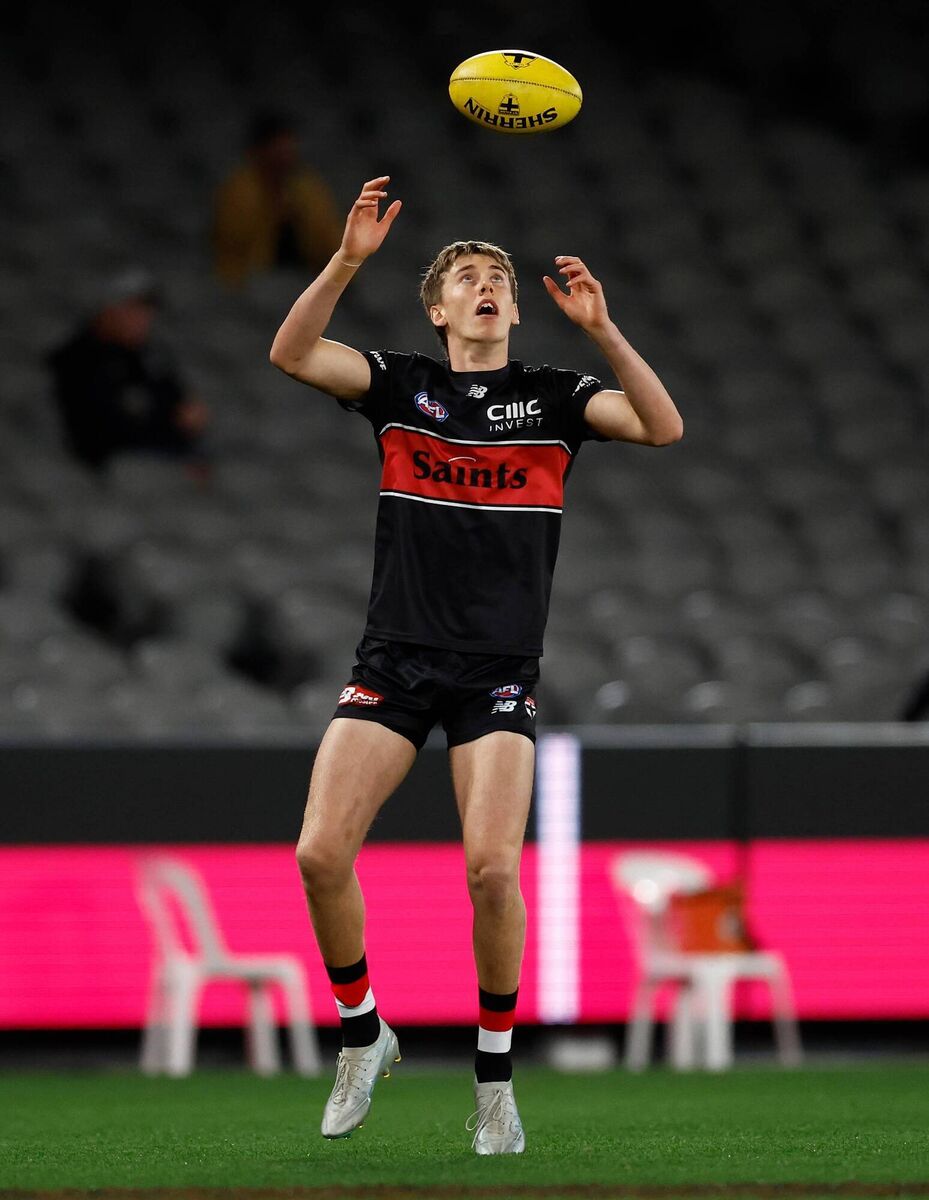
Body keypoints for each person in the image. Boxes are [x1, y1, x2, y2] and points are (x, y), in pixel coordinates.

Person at [269, 176, 683, 1153]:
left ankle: (492, 1080)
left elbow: (662, 427)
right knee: (319, 853)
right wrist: (347, 260)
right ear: (438, 307)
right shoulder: (400, 386)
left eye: (495, 272)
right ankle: (362, 1031)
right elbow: (290, 354)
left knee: (492, 872)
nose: (484, 282)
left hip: (497, 666)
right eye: (463, 274)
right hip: (394, 658)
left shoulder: (554, 397)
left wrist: (604, 330)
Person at [46, 267, 210, 474]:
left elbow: (182, 407)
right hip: (110, 466)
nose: (143, 320)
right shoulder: (77, 358)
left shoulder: (149, 356)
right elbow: (98, 427)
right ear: (110, 309)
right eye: (135, 310)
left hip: (162, 459)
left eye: (148, 312)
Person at [212, 110, 344, 289]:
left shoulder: (308, 188)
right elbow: (231, 238)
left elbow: (328, 237)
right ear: (260, 150)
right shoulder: (240, 189)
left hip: (305, 279)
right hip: (248, 279)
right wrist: (273, 209)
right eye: (277, 146)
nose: (284, 153)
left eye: (288, 145)